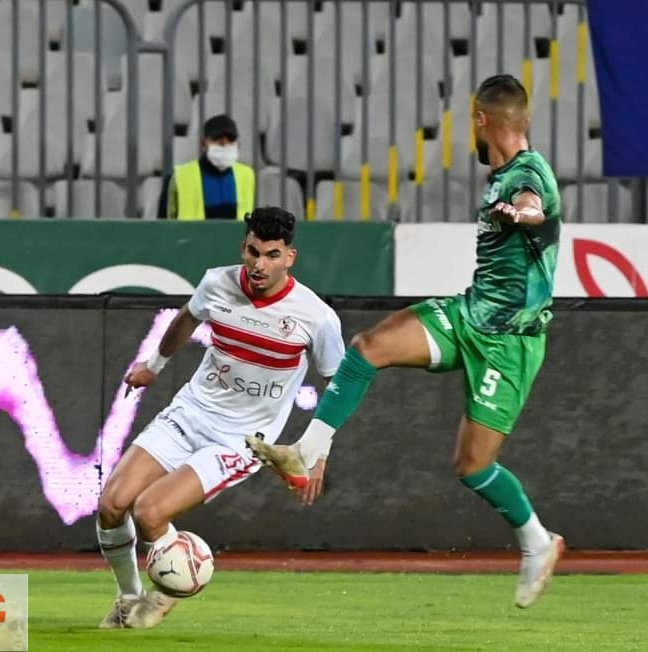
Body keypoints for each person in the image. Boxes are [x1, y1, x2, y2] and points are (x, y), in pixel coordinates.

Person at [245, 73, 566, 609]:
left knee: (472, 466)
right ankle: (307, 449)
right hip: (469, 315)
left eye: (471, 121)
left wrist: (522, 213)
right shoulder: (505, 174)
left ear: (481, 120)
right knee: (367, 348)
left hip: (509, 341)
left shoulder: (527, 175)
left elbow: (534, 204)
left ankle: (537, 542)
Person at [95, 206, 345, 629]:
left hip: (241, 439)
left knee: (150, 512)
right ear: (243, 247)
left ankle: (179, 580)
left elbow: (338, 384)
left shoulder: (316, 317)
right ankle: (129, 598)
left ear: (290, 257)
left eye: (271, 255)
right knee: (111, 505)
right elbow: (185, 319)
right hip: (191, 412)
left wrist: (319, 451)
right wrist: (153, 366)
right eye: (253, 252)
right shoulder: (217, 282)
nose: (259, 264)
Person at [161, 114, 256, 219]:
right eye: (218, 140)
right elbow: (163, 222)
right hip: (191, 231)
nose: (225, 145)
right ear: (203, 144)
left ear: (238, 144)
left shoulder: (247, 175)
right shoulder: (178, 176)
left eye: (231, 140)